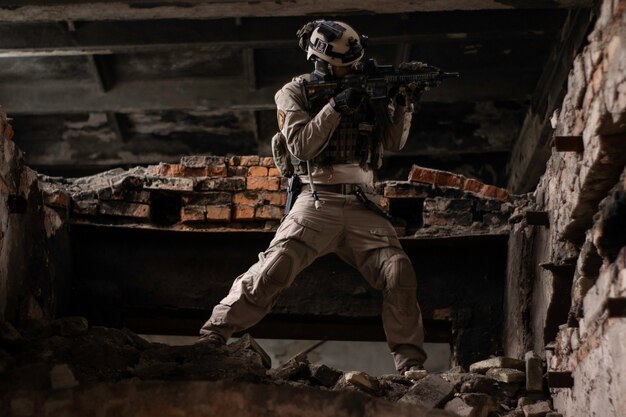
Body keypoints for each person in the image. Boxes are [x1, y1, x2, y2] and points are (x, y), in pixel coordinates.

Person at [199, 20, 427, 374]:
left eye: (355, 61)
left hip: (364, 202)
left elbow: (394, 143)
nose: (353, 67)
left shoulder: (367, 86)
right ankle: (214, 333)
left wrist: (403, 103)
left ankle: (411, 365)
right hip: (318, 198)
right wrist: (336, 106)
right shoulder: (294, 92)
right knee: (274, 268)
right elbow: (302, 144)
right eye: (345, 63)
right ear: (321, 60)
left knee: (398, 271)